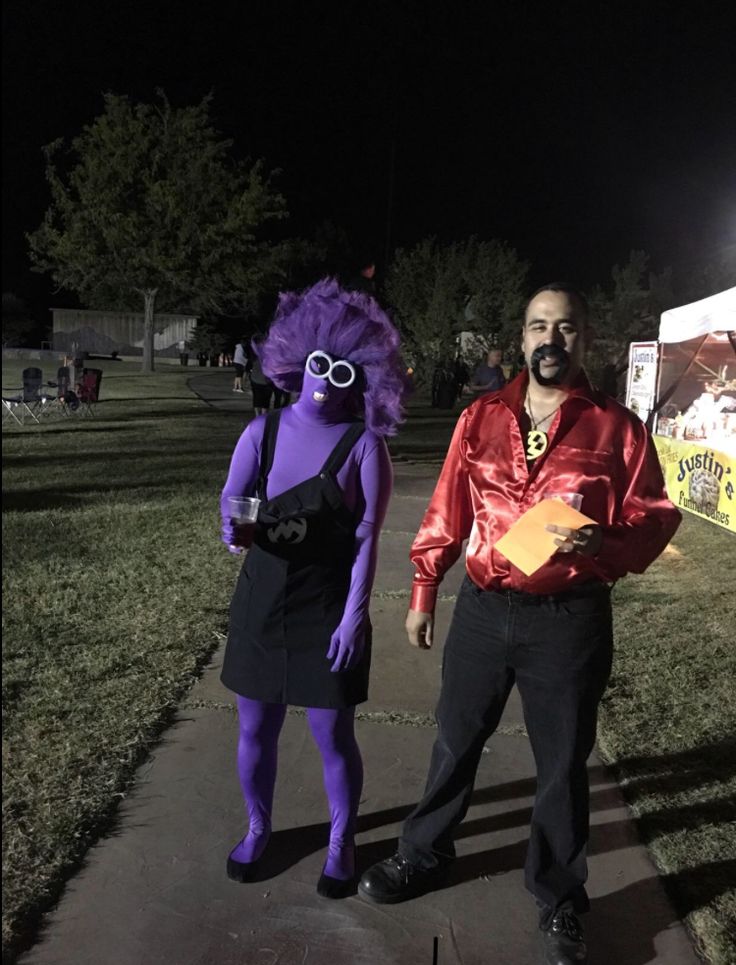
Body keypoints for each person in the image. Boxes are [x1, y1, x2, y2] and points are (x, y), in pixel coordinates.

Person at [358, 283, 682, 965]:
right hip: (483, 609)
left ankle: (560, 895)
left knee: (561, 764)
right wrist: (424, 588)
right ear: (523, 338)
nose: (551, 340)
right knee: (454, 739)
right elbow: (448, 507)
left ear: (583, 340)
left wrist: (603, 544)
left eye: (566, 328)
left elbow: (654, 519)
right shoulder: (480, 417)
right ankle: (423, 852)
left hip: (569, 620)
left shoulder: (615, 428)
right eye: (540, 327)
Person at [220, 278, 406, 899]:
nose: (328, 379)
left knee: (332, 734)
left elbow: (366, 538)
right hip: (262, 604)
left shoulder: (365, 446)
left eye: (346, 371)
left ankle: (341, 840)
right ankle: (258, 828)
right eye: (320, 365)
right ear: (298, 362)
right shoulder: (261, 432)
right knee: (254, 730)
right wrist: (230, 525)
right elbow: (233, 499)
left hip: (327, 608)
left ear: (365, 381)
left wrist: (354, 619)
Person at [247, 340, 275, 415]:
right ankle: (263, 417)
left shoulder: (254, 357)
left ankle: (258, 416)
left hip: (256, 380)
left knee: (256, 398)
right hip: (266, 381)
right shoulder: (271, 357)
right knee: (265, 401)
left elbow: (248, 367)